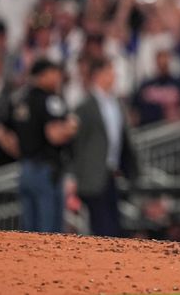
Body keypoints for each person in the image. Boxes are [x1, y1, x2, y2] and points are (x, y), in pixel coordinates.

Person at [0, 59, 79, 233]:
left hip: (25, 170)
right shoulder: (50, 100)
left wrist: (22, 151)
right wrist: (71, 127)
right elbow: (54, 135)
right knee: (48, 233)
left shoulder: (19, 98)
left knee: (29, 233)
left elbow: (0, 130)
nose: (58, 79)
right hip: (46, 171)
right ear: (43, 75)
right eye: (55, 74)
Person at [70, 58, 138, 237]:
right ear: (98, 75)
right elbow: (76, 144)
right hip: (92, 176)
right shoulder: (84, 107)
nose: (114, 76)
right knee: (102, 228)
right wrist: (74, 175)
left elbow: (122, 139)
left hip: (111, 174)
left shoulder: (117, 104)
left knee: (114, 225)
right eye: (109, 71)